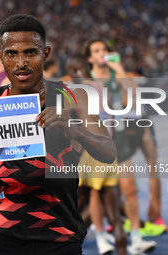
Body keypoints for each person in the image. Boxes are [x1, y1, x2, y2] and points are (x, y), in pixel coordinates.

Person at [0, 14, 116, 255]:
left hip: (60, 236)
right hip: (5, 236)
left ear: (46, 53)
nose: (21, 62)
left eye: (30, 52)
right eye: (12, 53)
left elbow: (108, 153)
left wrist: (76, 132)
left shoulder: (75, 98)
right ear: (1, 56)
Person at [83, 38, 161, 254]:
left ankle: (136, 238)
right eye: (96, 50)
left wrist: (119, 68)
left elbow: (134, 96)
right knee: (96, 193)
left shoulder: (117, 77)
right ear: (90, 57)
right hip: (96, 142)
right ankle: (100, 237)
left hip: (120, 139)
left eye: (104, 50)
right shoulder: (85, 81)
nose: (102, 53)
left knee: (130, 189)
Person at [65, 54, 127, 255]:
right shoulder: (102, 89)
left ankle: (66, 245)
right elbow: (112, 124)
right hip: (108, 150)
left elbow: (76, 130)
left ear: (74, 71)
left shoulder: (74, 94)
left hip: (88, 153)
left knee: (77, 207)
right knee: (113, 212)